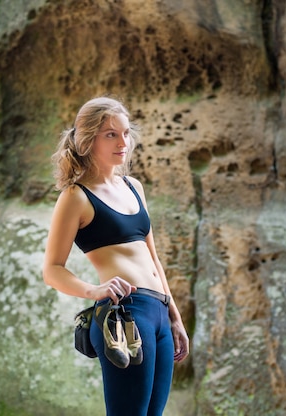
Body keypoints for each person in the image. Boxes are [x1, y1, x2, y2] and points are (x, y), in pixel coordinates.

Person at [42, 96, 189, 416]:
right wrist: (94, 291)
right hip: (124, 316)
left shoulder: (134, 186)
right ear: (87, 140)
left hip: (159, 315)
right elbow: (52, 269)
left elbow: (153, 259)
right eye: (111, 134)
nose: (123, 142)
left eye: (125, 133)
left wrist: (174, 317)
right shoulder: (75, 196)